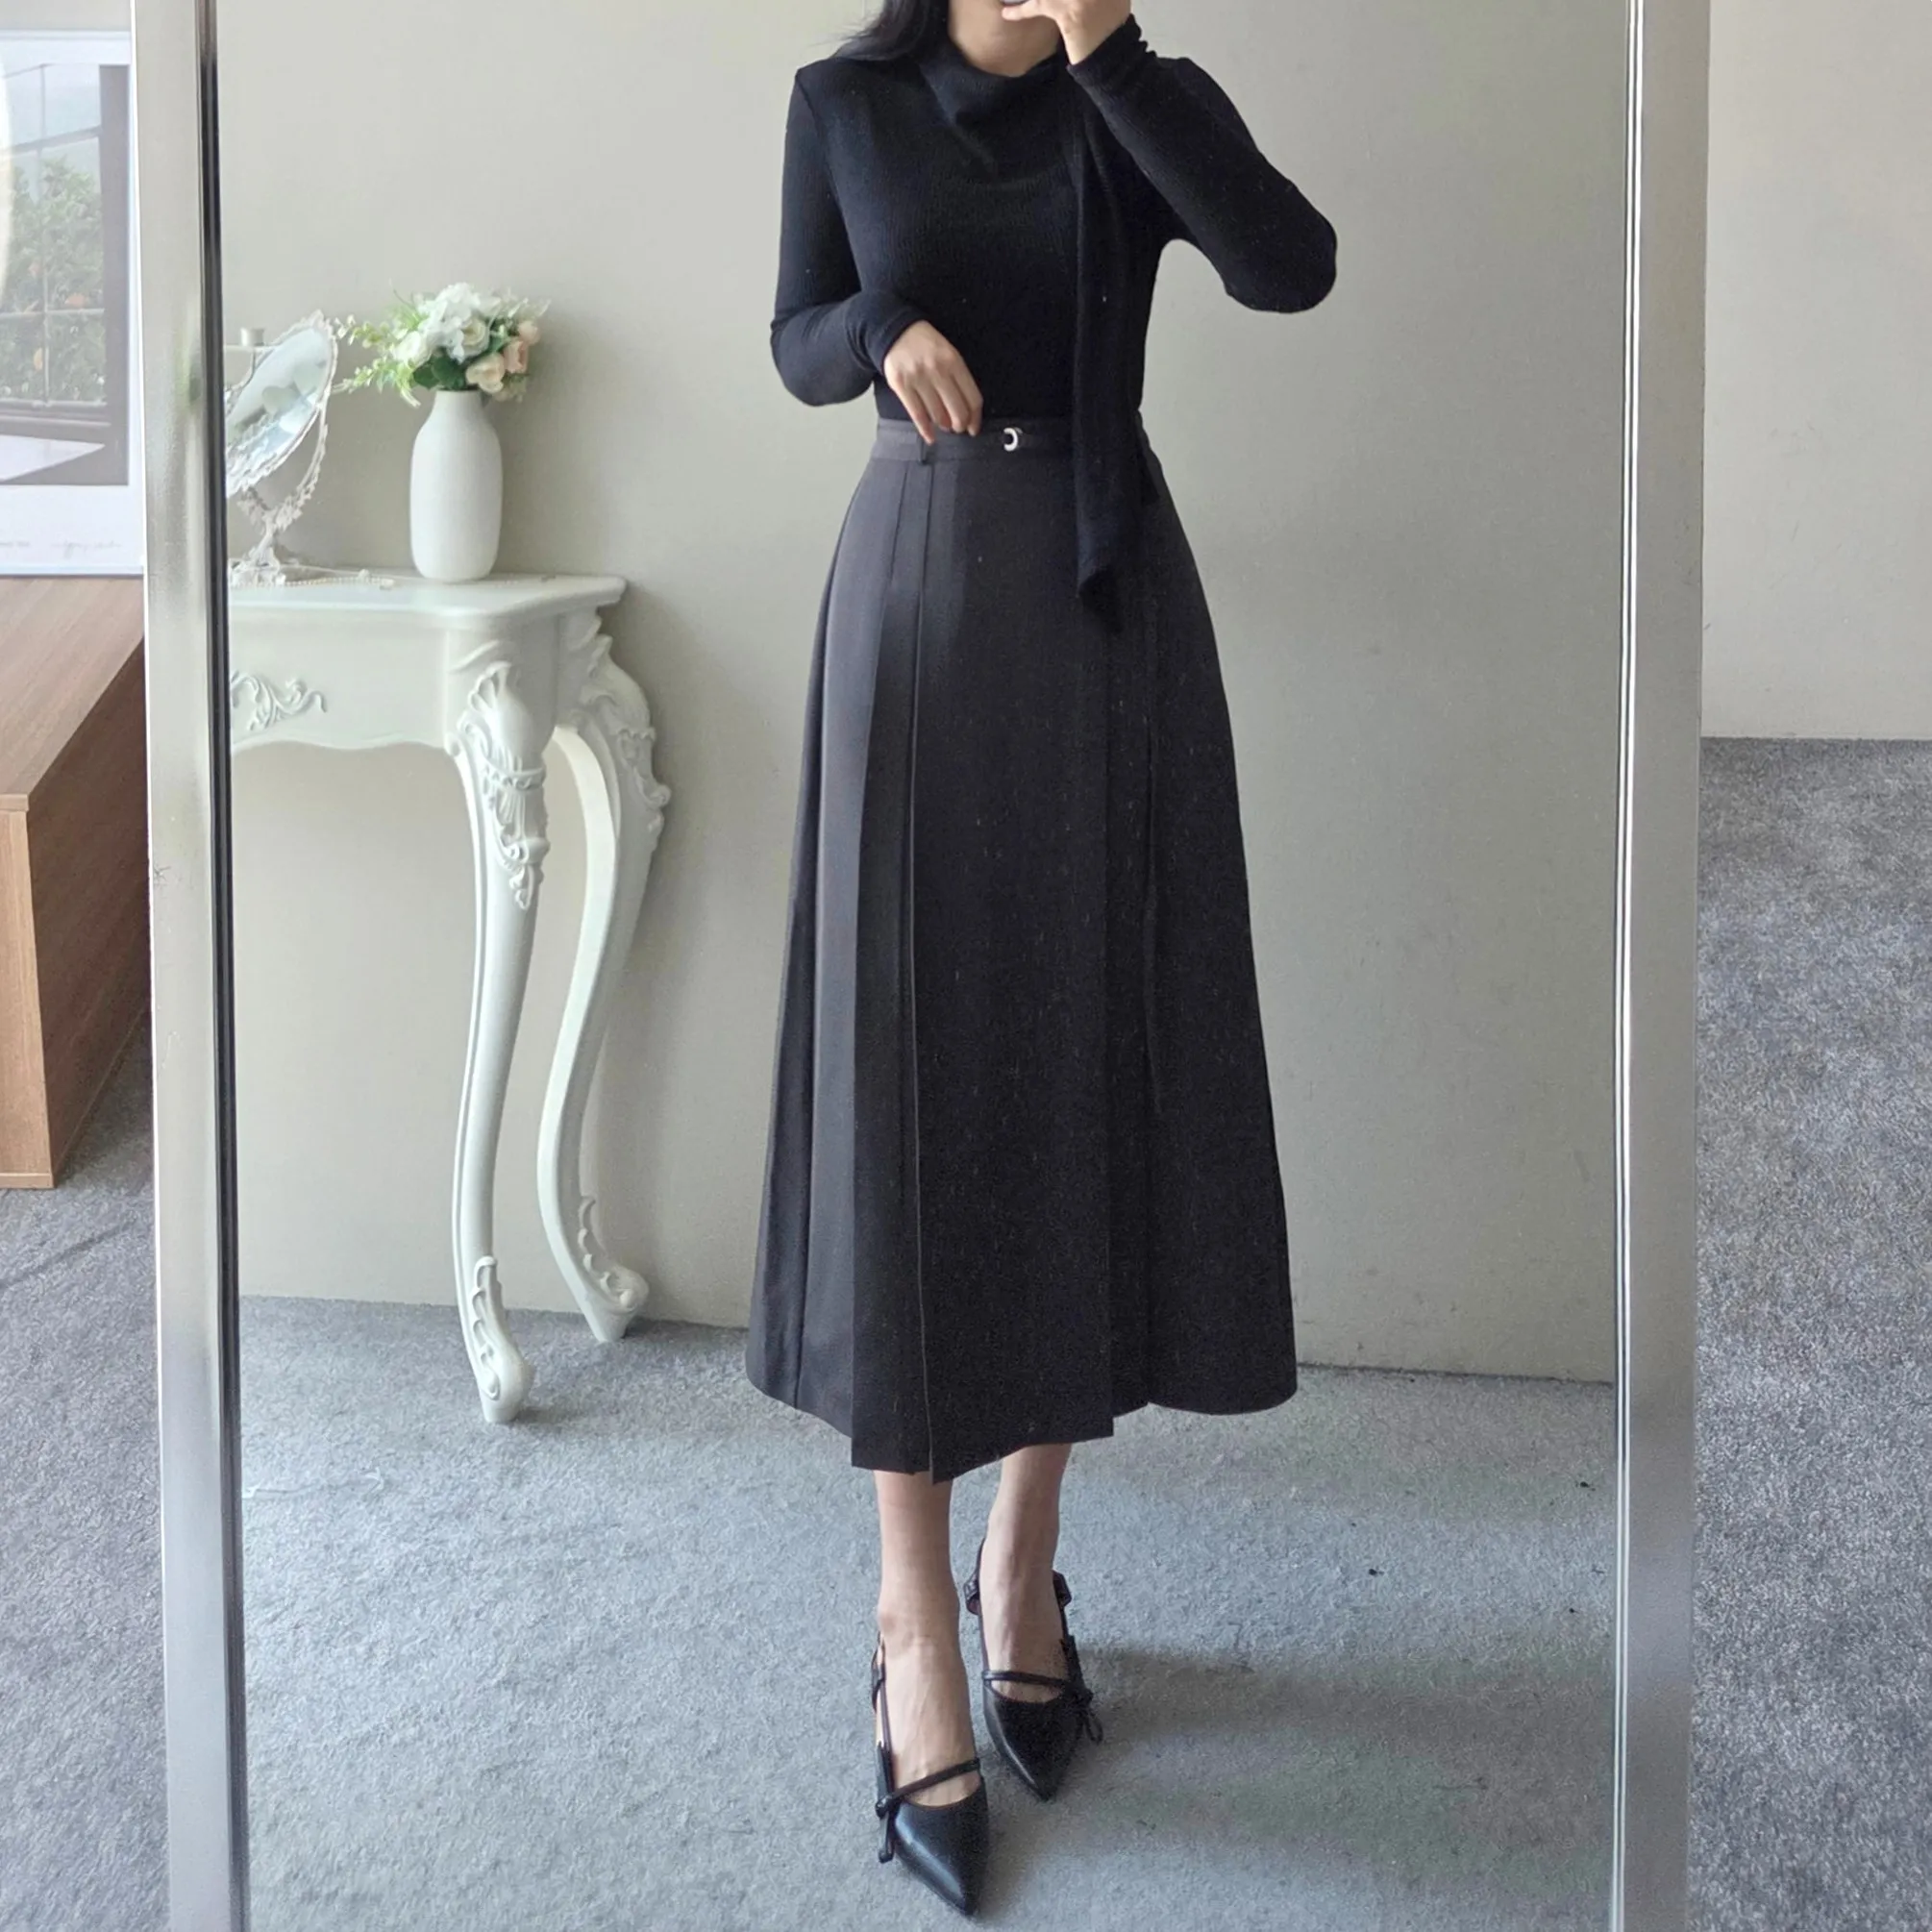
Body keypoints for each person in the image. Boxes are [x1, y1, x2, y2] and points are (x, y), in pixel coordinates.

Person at [745, 0, 1336, 1910]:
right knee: (912, 1083)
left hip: (1103, 608)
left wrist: (1114, 56)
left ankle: (1022, 1556)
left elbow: (1288, 265)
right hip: (918, 600)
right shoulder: (845, 101)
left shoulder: (1124, 97)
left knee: (1080, 1060)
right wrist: (872, 329)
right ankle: (908, 1613)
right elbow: (793, 332)